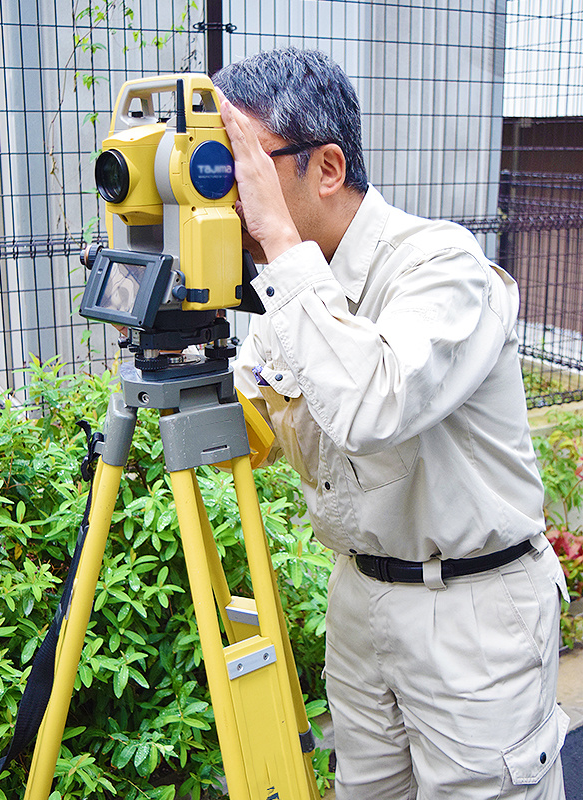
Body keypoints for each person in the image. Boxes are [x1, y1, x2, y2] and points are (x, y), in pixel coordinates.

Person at [213, 47, 570, 799]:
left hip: (471, 613)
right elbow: (256, 431)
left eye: (244, 165)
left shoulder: (443, 266)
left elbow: (374, 404)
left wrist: (278, 244)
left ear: (329, 167)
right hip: (361, 601)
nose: (229, 193)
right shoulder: (295, 290)